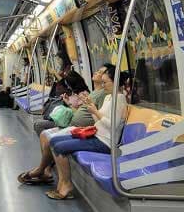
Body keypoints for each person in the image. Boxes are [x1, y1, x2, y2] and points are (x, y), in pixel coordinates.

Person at [18, 65, 112, 185]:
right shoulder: (94, 93)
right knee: (43, 133)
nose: (96, 72)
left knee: (51, 139)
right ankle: (45, 169)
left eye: (100, 72)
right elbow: (89, 113)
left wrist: (89, 109)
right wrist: (71, 104)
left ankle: (49, 173)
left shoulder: (105, 96)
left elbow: (99, 117)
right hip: (74, 124)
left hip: (83, 129)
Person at [45, 63, 128, 201]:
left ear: (115, 82)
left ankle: (66, 184)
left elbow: (112, 126)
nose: (103, 85)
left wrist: (95, 111)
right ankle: (62, 181)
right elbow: (98, 122)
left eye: (106, 82)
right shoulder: (108, 97)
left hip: (105, 142)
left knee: (59, 147)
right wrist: (92, 107)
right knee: (54, 141)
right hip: (96, 135)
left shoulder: (119, 99)